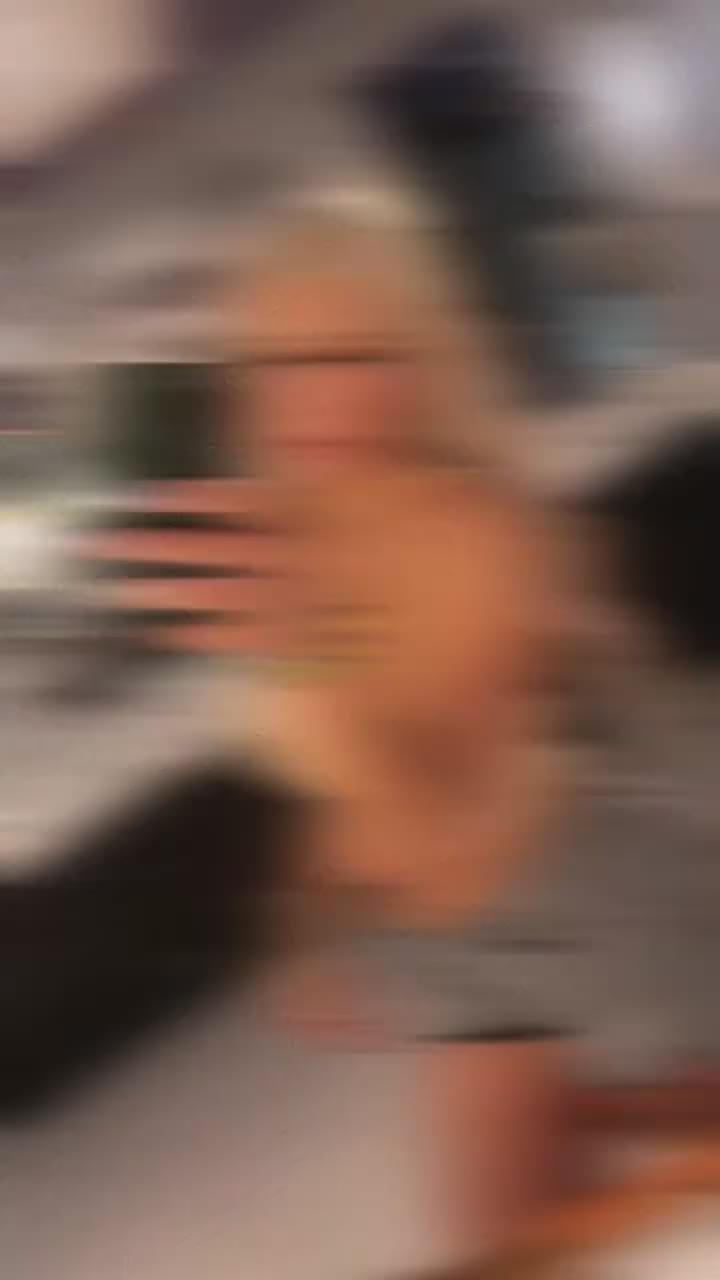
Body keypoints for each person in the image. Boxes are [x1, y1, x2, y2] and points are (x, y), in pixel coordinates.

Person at [93, 193, 720, 1264]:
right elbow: (335, 785)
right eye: (277, 363)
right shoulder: (288, 536)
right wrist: (296, 919)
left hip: (588, 894)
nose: (308, 397)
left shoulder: (475, 530)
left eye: (347, 354)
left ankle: (622, 1115)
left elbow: (445, 825)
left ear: (416, 362)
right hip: (459, 955)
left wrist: (300, 645)